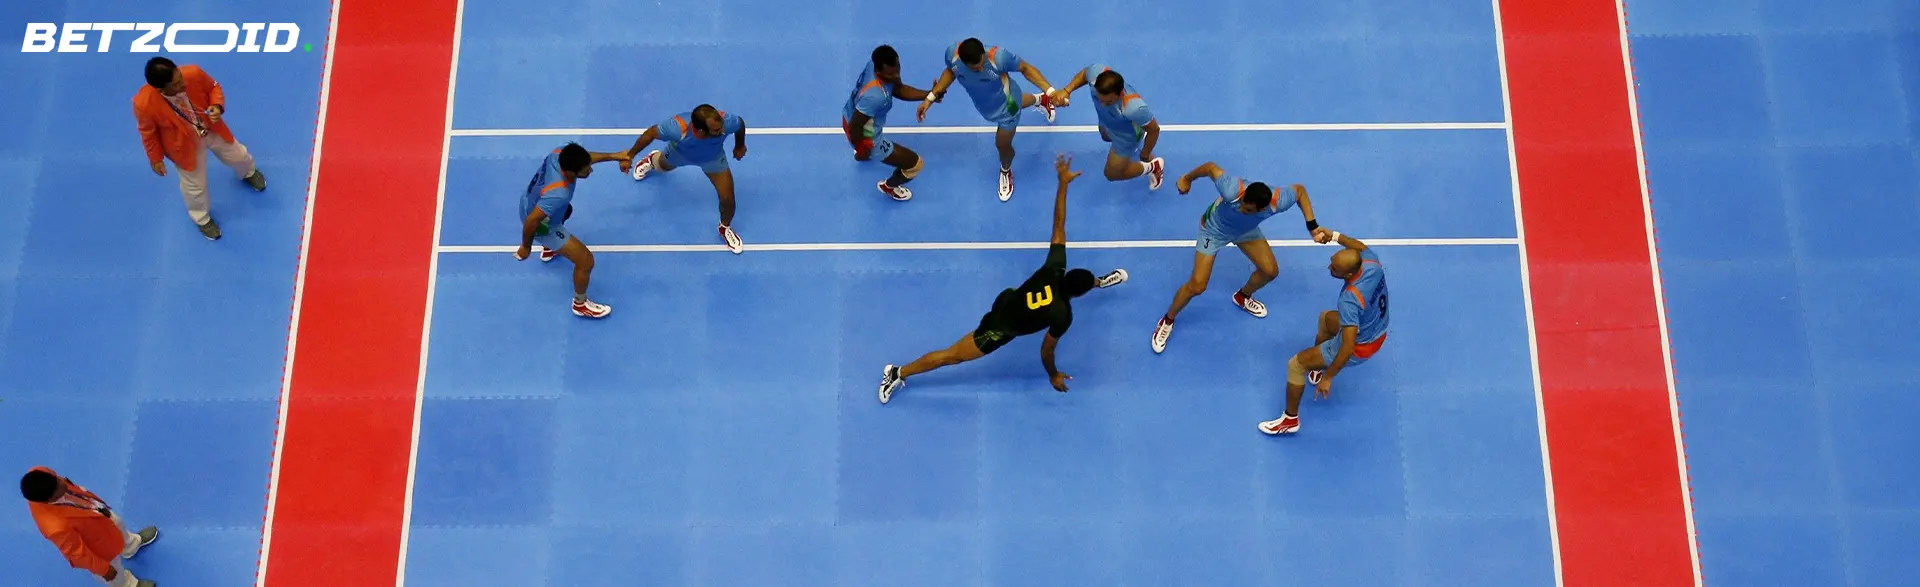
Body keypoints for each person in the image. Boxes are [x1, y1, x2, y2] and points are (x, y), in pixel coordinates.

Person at [877, 154, 1128, 404]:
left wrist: (1062, 183)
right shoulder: (1063, 315)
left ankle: (1101, 281)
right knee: (952, 356)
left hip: (1009, 296)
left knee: (1036, 289)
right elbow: (1046, 351)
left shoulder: (1056, 267)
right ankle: (897, 373)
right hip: (1000, 325)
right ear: (1079, 295)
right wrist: (1053, 375)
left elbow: (1059, 224)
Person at [1151, 162, 1324, 353]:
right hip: (1214, 231)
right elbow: (1209, 167)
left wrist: (1313, 227)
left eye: (1249, 210)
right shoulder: (1232, 189)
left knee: (1270, 271)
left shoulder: (1278, 201)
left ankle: (1242, 296)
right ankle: (1167, 320)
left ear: (1263, 208)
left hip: (1246, 232)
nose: (1243, 209)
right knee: (1197, 285)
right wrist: (1187, 178)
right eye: (1243, 204)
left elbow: (1300, 191)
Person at [1261, 231, 1389, 435]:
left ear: (1348, 275)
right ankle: (1317, 367)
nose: (1329, 267)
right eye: (1332, 261)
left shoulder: (1349, 300)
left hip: (1360, 345)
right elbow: (1358, 245)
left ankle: (1290, 420)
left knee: (1295, 365)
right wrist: (1335, 236)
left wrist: (1328, 377)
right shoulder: (1371, 262)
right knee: (1325, 320)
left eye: (1334, 268)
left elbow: (1347, 347)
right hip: (1376, 327)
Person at [134, 57, 266, 241]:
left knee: (239, 155)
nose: (182, 83)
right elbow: (148, 133)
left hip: (211, 129)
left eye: (180, 76)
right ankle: (201, 219)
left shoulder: (193, 73)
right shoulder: (144, 104)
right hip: (184, 146)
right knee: (194, 187)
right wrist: (155, 159)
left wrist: (216, 106)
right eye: (176, 83)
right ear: (160, 89)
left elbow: (214, 88)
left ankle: (248, 172)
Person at [915, 38, 1060, 201]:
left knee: (1002, 144)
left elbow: (1025, 68)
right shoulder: (953, 55)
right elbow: (950, 71)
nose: (982, 67)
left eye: (982, 62)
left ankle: (1005, 171)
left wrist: (1051, 91)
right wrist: (930, 98)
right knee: (1021, 101)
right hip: (986, 106)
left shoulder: (999, 57)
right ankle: (1041, 100)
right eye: (976, 68)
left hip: (1008, 105)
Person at [515, 142, 631, 318]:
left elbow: (586, 157)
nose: (590, 171)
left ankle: (550, 249)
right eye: (585, 170)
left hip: (527, 201)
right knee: (586, 261)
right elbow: (532, 221)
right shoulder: (558, 193)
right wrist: (526, 247)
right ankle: (580, 303)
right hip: (540, 224)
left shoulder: (558, 153)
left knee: (566, 210)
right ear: (571, 172)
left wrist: (615, 156)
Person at [620, 104, 750, 254]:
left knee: (728, 198)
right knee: (662, 165)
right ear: (700, 131)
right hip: (680, 154)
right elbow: (650, 134)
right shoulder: (677, 128)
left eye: (721, 127)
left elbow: (739, 124)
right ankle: (651, 160)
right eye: (716, 130)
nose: (722, 131)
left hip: (712, 159)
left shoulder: (725, 121)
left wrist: (740, 146)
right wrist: (629, 155)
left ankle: (724, 227)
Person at [21, 467, 162, 587]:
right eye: (58, 488)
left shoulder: (38, 473)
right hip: (98, 547)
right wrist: (104, 569)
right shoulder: (55, 527)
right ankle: (128, 584)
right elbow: (78, 554)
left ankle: (130, 546)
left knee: (118, 523)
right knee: (115, 572)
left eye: (57, 479)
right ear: (48, 499)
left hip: (94, 512)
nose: (62, 483)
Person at [1049, 64, 1164, 189]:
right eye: (1100, 99)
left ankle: (1153, 167)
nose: (1103, 105)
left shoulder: (1134, 108)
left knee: (1111, 174)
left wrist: (1146, 154)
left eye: (1108, 102)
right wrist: (1067, 91)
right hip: (1106, 123)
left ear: (1120, 94)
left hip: (1125, 138)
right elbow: (1085, 73)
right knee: (1105, 137)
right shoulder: (1096, 74)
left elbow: (1154, 130)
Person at [843, 45, 934, 201]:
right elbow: (856, 127)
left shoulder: (874, 63)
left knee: (863, 150)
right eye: (891, 74)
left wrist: (929, 95)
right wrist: (862, 147)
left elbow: (898, 89)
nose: (896, 76)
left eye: (897, 69)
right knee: (915, 165)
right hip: (865, 134)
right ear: (879, 72)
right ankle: (889, 186)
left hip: (848, 114)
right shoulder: (875, 96)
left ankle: (862, 155)